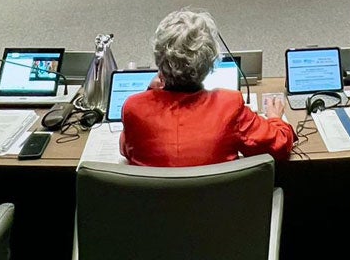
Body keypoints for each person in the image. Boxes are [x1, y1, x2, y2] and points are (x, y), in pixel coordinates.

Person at [120, 10, 293, 167]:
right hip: (218, 202)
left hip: (154, 202)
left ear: (159, 59)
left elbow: (126, 149)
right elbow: (280, 146)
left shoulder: (134, 107)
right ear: (210, 62)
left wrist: (150, 92)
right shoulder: (229, 105)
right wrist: (275, 119)